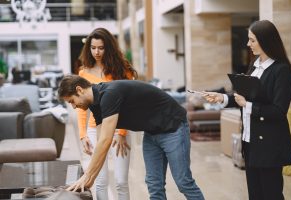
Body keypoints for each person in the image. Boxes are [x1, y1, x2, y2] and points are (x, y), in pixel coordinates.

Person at [58, 75, 205, 200]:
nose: (73, 106)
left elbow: (105, 140)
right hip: (151, 132)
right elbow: (101, 145)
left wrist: (87, 176)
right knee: (154, 184)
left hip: (173, 127)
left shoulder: (109, 94)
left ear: (79, 90)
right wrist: (89, 178)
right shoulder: (95, 104)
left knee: (183, 182)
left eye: (72, 101)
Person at [201, 20, 291, 200]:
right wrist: (223, 98)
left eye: (252, 40)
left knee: (271, 195)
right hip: (250, 142)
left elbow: (278, 111)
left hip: (269, 144)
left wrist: (248, 105)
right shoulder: (254, 66)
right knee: (255, 195)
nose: (248, 44)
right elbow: (243, 97)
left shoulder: (281, 71)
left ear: (265, 41)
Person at [76, 27, 137, 200]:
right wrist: (83, 135)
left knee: (120, 181)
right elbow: (82, 107)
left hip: (120, 129)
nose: (96, 52)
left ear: (108, 47)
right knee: (100, 180)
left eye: (101, 48)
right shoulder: (84, 73)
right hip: (95, 129)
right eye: (93, 47)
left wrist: (122, 133)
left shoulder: (121, 70)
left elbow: (129, 103)